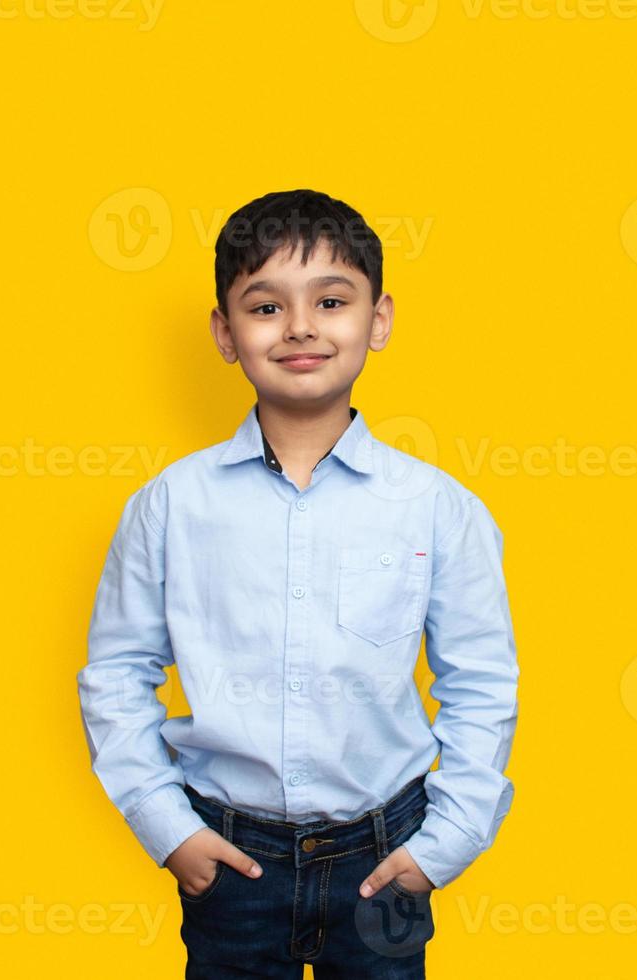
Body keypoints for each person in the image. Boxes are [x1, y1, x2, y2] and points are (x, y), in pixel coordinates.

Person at [77, 188, 519, 978]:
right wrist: (166, 827)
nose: (302, 327)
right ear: (224, 333)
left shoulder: (435, 508)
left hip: (386, 859)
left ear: (378, 320)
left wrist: (444, 845)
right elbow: (115, 673)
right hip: (231, 864)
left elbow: (482, 683)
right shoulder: (172, 505)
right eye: (265, 306)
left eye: (332, 300)